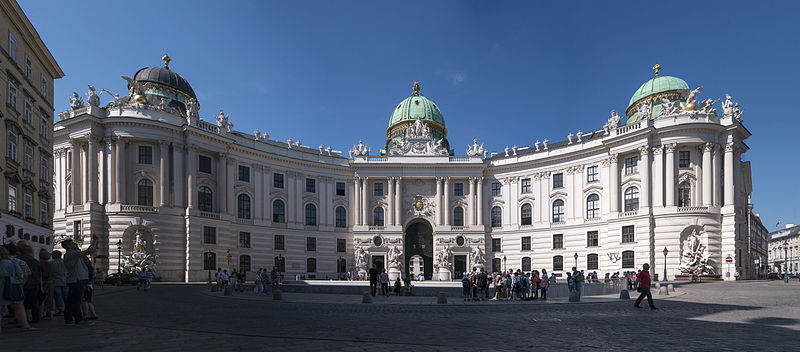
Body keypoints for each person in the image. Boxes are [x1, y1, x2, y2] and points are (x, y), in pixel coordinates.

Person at [61, 235, 99, 326]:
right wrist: (96, 240)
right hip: (77, 280)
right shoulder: (71, 254)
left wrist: (95, 242)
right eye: (73, 243)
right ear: (69, 246)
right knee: (76, 301)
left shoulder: (73, 254)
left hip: (76, 279)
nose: (75, 244)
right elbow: (89, 251)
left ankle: (69, 319)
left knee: (71, 301)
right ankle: (78, 320)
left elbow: (91, 251)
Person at [0, 246, 39, 332]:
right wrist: (20, 283)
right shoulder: (13, 262)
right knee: (19, 307)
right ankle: (25, 325)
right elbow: (21, 275)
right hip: (12, 285)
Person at [17, 243, 42, 324]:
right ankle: (36, 317)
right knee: (34, 302)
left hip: (22, 283)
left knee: (21, 303)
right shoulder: (35, 261)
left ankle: (23, 319)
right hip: (34, 283)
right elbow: (39, 273)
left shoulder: (18, 260)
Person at [39, 249, 54, 320]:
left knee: (41, 298)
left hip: (42, 282)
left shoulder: (39, 264)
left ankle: (41, 312)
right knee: (49, 298)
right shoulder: (50, 264)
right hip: (50, 282)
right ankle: (48, 312)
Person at [51, 250, 67, 317]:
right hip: (65, 280)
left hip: (56, 281)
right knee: (65, 296)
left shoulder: (51, 263)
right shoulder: (65, 262)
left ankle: (60, 310)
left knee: (58, 296)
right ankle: (68, 308)